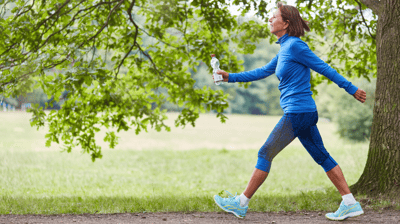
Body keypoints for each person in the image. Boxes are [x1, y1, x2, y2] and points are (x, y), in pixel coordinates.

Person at [213, 2, 367, 221]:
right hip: (303, 113)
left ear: (286, 23)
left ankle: (241, 203)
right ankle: (350, 203)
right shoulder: (285, 48)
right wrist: (230, 77)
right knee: (322, 156)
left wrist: (351, 89)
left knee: (265, 153)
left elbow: (323, 67)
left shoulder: (296, 46)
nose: (270, 19)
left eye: (274, 16)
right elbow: (262, 71)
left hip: (298, 113)